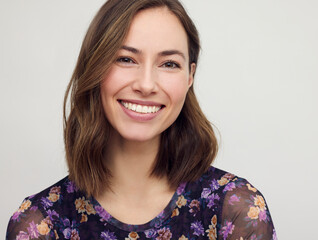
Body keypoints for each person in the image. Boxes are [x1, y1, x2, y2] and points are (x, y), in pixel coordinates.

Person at [6, 0, 277, 239]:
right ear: (95, 66)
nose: (146, 85)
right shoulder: (40, 223)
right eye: (125, 59)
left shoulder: (238, 210)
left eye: (169, 63)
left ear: (189, 76)